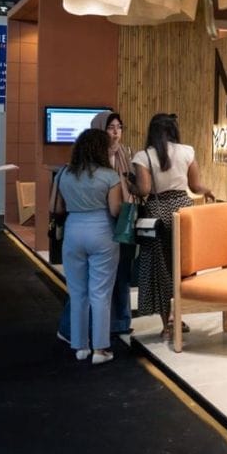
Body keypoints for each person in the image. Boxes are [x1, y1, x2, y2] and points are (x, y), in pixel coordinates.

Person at [132, 114, 214, 339]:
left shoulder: (143, 156)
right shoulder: (187, 151)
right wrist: (207, 191)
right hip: (183, 211)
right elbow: (195, 186)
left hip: (157, 213)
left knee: (160, 269)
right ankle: (179, 315)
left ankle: (167, 323)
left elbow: (144, 189)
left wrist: (131, 186)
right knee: (183, 266)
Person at [56, 112, 136, 344]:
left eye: (119, 126)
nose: (116, 132)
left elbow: (58, 206)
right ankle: (95, 342)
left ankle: (100, 332)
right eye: (110, 127)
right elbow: (116, 207)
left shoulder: (124, 155)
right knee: (97, 289)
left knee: (104, 282)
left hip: (83, 229)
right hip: (106, 228)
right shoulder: (104, 172)